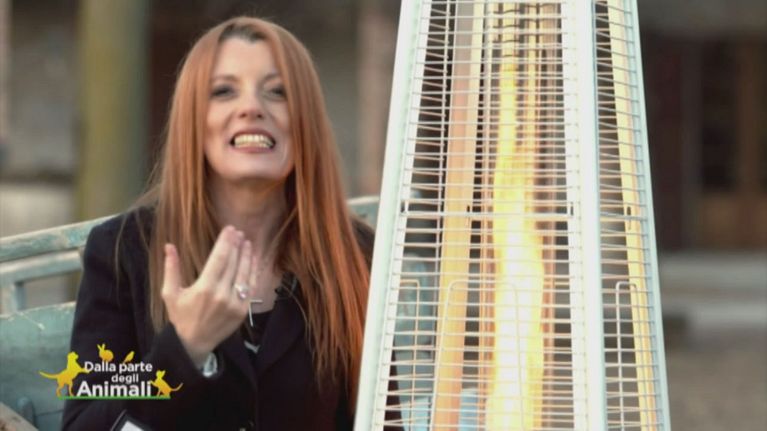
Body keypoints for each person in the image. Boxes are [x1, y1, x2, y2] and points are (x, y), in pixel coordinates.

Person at [62, 16, 378, 430]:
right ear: (194, 118)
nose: (252, 107)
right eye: (224, 91)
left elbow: (381, 419)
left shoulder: (355, 253)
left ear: (307, 121)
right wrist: (184, 349)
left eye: (278, 91)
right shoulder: (123, 249)